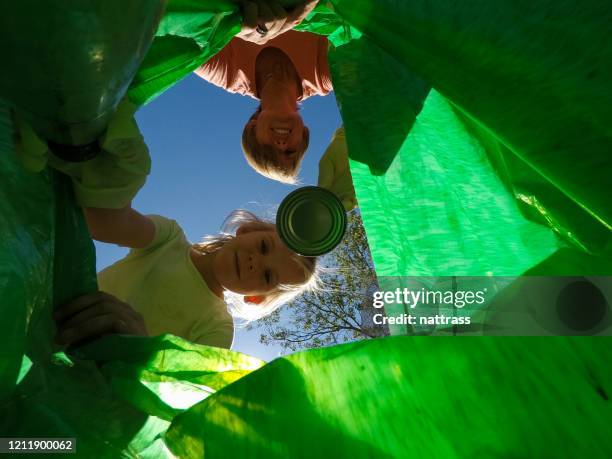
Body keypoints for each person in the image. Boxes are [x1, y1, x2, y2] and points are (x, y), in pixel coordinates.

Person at [54, 209, 319, 349]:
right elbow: (108, 223)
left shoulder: (217, 328)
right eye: (263, 246)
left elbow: (174, 386)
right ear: (246, 230)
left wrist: (136, 345)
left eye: (267, 276)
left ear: (255, 297)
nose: (255, 262)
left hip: (92, 377)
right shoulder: (168, 238)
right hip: (55, 315)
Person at [196, 16, 331, 183]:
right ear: (304, 134)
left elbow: (183, 28)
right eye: (290, 152)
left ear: (252, 128)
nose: (281, 145)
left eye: (268, 149)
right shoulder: (324, 72)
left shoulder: (228, 71)